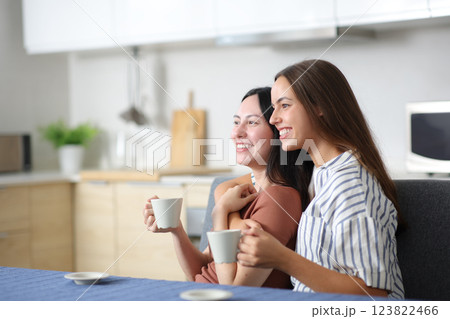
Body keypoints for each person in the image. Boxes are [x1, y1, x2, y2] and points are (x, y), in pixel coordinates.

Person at [231, 60, 405, 299]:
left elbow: (372, 294)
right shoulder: (319, 172)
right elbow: (246, 180)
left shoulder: (350, 184)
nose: (273, 119)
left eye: (284, 105)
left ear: (320, 106)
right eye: (274, 108)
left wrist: (281, 258)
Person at [143, 87, 313, 288]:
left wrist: (220, 212)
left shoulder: (280, 198)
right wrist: (177, 230)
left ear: (278, 133)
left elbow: (234, 288)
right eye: (235, 122)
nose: (236, 133)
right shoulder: (241, 193)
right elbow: (203, 270)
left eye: (251, 122)